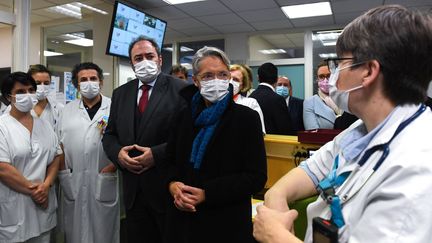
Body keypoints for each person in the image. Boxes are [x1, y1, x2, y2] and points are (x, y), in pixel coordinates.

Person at [254, 5, 432, 242]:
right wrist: (276, 196)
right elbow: (311, 171)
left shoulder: (418, 167)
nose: (334, 75)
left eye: (340, 64)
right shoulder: (361, 130)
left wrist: (275, 236)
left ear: (368, 71)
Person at [164, 46, 267, 243]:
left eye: (222, 74)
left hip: (226, 224)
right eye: (208, 76)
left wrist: (208, 193)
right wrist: (172, 186)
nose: (217, 81)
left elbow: (256, 177)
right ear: (195, 81)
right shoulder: (182, 118)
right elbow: (169, 162)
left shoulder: (246, 119)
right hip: (183, 222)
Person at [102, 36, 187, 243]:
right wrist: (118, 155)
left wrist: (155, 155)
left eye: (149, 56)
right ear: (132, 64)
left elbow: (188, 138)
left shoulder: (181, 90)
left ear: (159, 59)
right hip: (132, 190)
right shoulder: (121, 93)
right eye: (138, 58)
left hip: (167, 188)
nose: (144, 61)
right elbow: (110, 134)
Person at [57, 62, 119, 243]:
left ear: (100, 82)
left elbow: (125, 141)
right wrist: (63, 173)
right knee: (75, 233)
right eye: (83, 80)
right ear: (76, 85)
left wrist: (115, 166)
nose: (89, 83)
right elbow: (58, 146)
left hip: (104, 177)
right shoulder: (67, 110)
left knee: (104, 232)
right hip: (72, 178)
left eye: (93, 78)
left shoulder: (114, 107)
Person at [0, 72, 61, 242]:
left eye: (30, 90)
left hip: (43, 208)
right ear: (8, 96)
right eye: (20, 92)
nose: (27, 95)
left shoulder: (44, 124)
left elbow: (56, 156)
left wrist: (47, 186)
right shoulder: (2, 127)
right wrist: (35, 191)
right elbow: (3, 168)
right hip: (16, 210)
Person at [250, 62, 293, 135]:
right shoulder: (278, 100)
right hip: (275, 144)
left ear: (258, 78)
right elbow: (285, 129)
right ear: (276, 79)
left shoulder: (250, 97)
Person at [303, 61, 342, 130]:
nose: (325, 80)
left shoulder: (345, 97)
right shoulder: (310, 102)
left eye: (329, 75)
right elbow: (313, 134)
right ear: (317, 79)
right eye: (321, 76)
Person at [230, 64, 266, 134]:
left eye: (235, 80)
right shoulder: (213, 102)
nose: (230, 82)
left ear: (242, 85)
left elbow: (260, 133)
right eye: (228, 78)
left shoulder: (250, 103)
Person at [27, 64, 64, 130]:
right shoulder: (19, 106)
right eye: (37, 83)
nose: (42, 86)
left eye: (46, 83)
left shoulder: (59, 109)